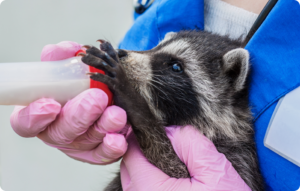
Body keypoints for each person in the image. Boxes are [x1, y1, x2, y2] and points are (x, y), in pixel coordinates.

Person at [10, 0, 300, 190]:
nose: (135, 56)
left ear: (231, 78)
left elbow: (169, 162)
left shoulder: (231, 145)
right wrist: (86, 105)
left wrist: (127, 94)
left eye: (175, 66)